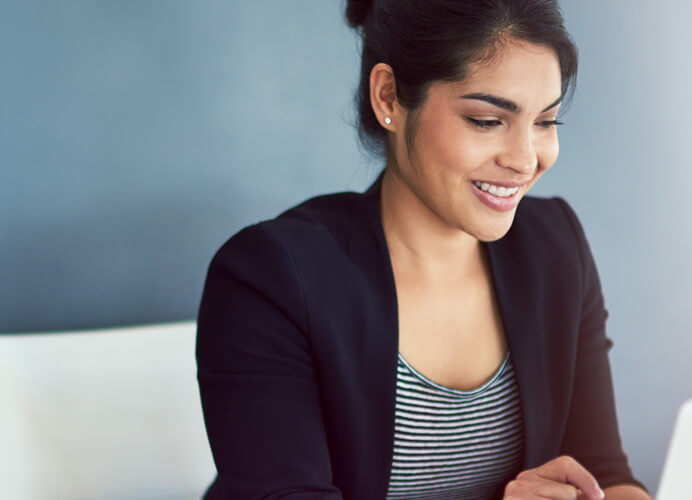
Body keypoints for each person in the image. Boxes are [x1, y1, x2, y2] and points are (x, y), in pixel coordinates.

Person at [195, 1, 652, 499]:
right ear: (388, 96)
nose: (525, 160)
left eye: (546, 122)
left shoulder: (555, 246)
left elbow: (604, 473)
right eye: (486, 120)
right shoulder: (270, 279)